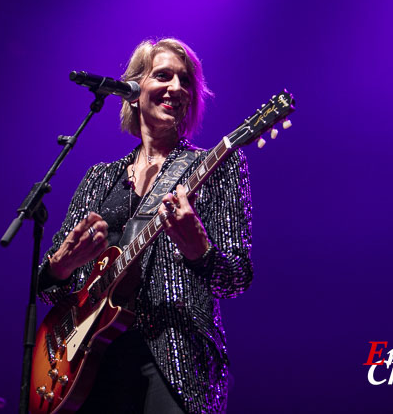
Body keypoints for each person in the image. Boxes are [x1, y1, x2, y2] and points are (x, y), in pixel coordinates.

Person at [37, 38, 253, 414]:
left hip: (174, 358)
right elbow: (50, 289)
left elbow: (236, 278)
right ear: (134, 91)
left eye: (185, 81)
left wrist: (199, 251)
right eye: (163, 76)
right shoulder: (99, 179)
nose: (176, 88)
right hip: (88, 363)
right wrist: (61, 266)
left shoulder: (217, 167)